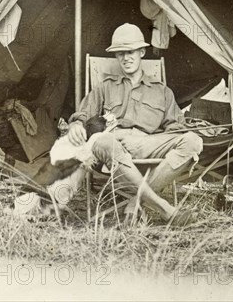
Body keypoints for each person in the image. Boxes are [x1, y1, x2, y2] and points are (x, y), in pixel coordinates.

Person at [68, 23, 203, 224]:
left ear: (141, 52)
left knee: (193, 141)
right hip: (114, 145)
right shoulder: (106, 86)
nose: (126, 58)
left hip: (147, 144)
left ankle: (134, 200)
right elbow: (83, 113)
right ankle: (165, 209)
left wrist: (153, 138)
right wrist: (76, 124)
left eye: (131, 51)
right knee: (103, 141)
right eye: (120, 53)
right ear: (116, 56)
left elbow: (176, 128)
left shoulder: (162, 91)